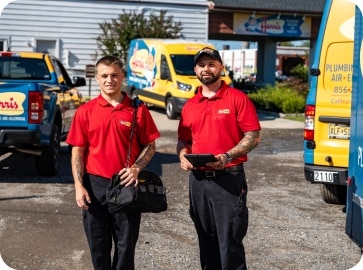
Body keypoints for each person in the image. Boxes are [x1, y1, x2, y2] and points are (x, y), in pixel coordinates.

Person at [66, 55, 160, 270]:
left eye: (115, 75)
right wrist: (79, 187)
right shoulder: (85, 111)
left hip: (126, 186)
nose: (110, 80)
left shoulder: (137, 109)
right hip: (94, 186)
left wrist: (137, 168)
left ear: (122, 77)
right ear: (97, 78)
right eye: (105, 76)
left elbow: (150, 145)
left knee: (126, 247)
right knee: (98, 247)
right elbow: (77, 152)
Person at [177, 47, 261, 270]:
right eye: (202, 65)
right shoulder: (190, 105)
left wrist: (226, 156)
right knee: (206, 241)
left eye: (211, 64)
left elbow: (253, 137)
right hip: (198, 182)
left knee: (230, 242)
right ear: (195, 69)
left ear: (221, 68)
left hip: (228, 180)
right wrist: (182, 155)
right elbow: (183, 140)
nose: (207, 69)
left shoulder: (237, 99)